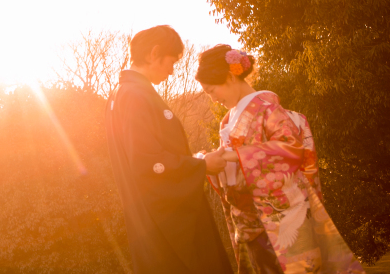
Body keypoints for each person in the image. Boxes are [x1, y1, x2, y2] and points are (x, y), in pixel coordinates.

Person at [196, 44, 365, 274]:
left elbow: (291, 149)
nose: (213, 99)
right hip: (247, 226)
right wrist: (211, 162)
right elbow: (231, 167)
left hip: (277, 225)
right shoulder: (226, 122)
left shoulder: (268, 109)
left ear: (228, 77)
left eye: (211, 90)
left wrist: (237, 156)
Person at [105, 25, 234, 274]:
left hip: (147, 220)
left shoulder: (121, 93)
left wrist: (197, 160)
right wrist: (203, 165)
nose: (173, 71)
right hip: (164, 225)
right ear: (154, 54)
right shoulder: (134, 95)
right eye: (171, 62)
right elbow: (147, 162)